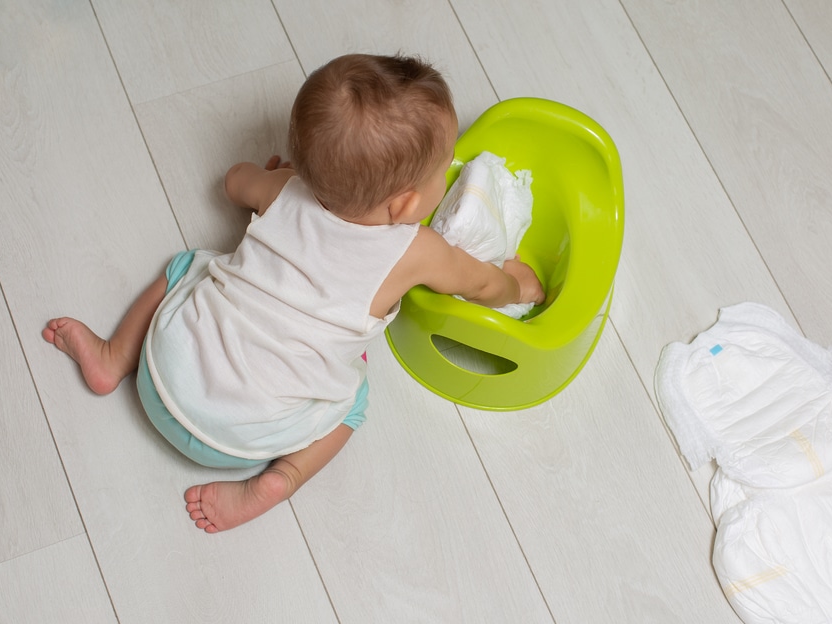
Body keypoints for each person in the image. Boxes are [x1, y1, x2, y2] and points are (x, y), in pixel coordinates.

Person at [42, 53, 544, 533]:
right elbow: (482, 284)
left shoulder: (285, 187)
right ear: (406, 203)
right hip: (240, 441)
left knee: (185, 267)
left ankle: (113, 358)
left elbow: (235, 183)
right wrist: (518, 283)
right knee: (354, 403)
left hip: (163, 378)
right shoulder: (418, 251)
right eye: (443, 169)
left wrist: (265, 179)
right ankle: (284, 477)